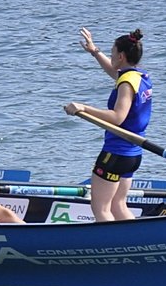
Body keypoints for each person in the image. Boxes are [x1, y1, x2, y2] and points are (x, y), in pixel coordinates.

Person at [64, 27, 153, 221]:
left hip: (115, 155)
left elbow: (117, 117)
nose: (111, 57)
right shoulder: (139, 77)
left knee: (101, 208)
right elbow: (114, 71)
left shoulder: (125, 83)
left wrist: (83, 108)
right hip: (132, 155)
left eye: (112, 53)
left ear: (121, 56)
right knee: (118, 205)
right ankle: (136, 242)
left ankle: (112, 246)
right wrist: (95, 51)